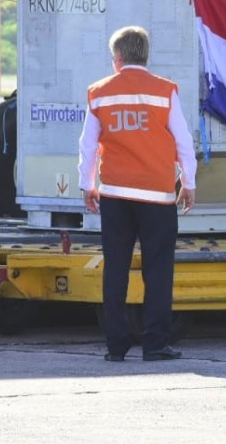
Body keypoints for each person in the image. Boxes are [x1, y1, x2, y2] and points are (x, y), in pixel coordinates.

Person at [78, 25, 197, 362]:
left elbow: (87, 146)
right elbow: (183, 141)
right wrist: (189, 183)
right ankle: (156, 344)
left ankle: (116, 346)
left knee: (115, 268)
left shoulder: (99, 92)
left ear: (117, 58)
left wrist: (88, 185)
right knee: (158, 270)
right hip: (157, 196)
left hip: (114, 194)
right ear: (146, 55)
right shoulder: (165, 91)